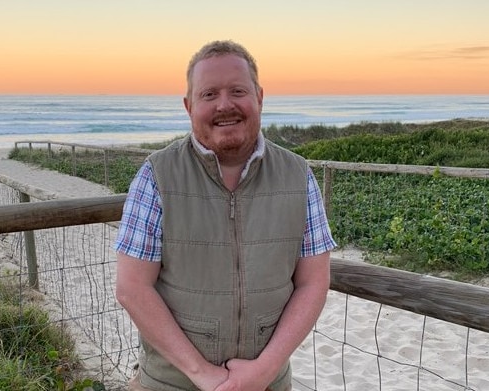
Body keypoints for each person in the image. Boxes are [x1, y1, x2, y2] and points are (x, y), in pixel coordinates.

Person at [115, 40, 336, 391]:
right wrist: (204, 375)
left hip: (269, 383)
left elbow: (313, 282)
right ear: (189, 106)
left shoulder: (298, 175)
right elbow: (132, 287)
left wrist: (263, 371)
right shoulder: (156, 174)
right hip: (171, 383)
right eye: (209, 95)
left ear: (259, 97)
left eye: (237, 91)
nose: (224, 105)